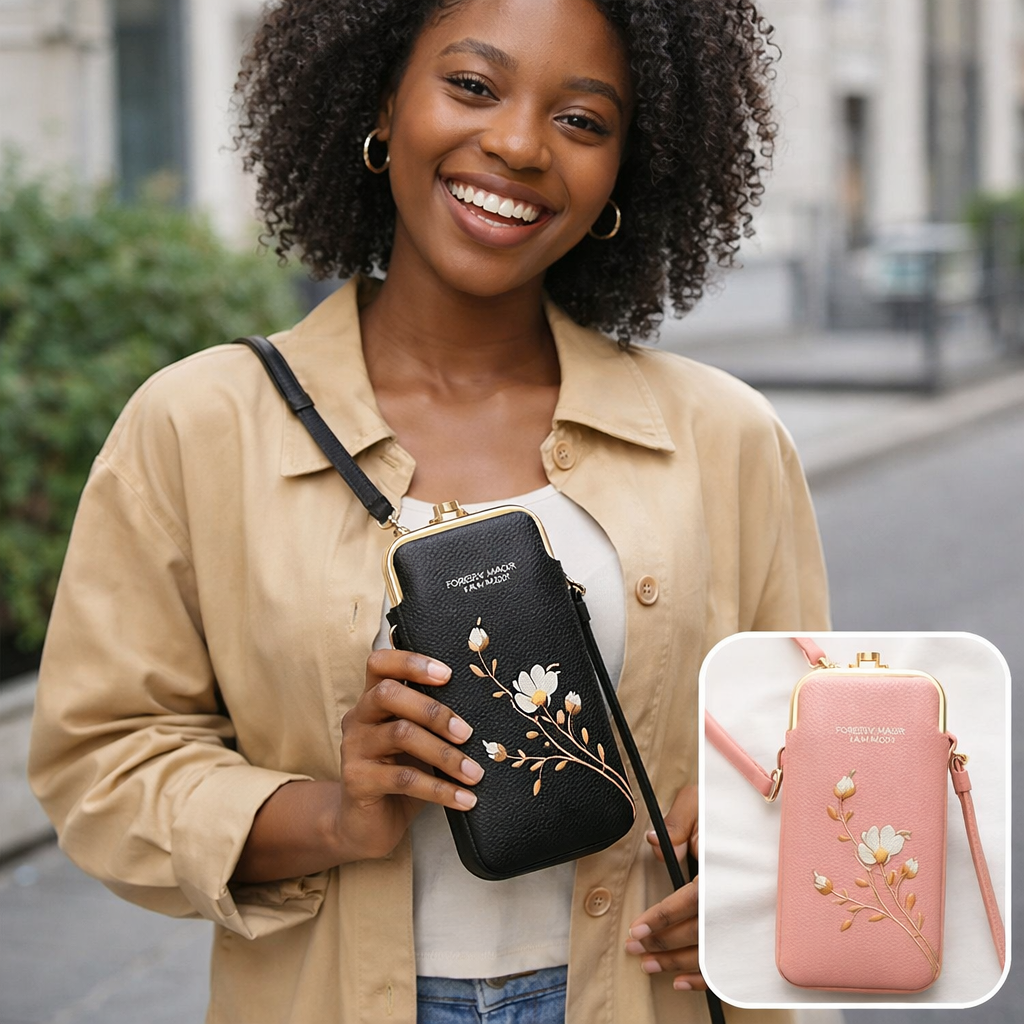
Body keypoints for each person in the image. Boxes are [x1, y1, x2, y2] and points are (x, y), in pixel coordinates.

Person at [29, 1, 829, 1022]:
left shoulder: (728, 439)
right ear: (381, 102)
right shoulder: (198, 426)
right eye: (472, 86)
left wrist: (755, 861)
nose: (518, 142)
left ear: (630, 168)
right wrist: (331, 814)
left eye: (583, 120)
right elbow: (104, 758)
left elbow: (813, 749)